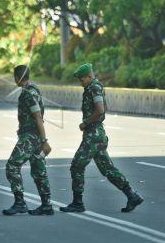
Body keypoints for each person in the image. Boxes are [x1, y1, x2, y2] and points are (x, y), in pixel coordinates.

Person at [60, 63, 144, 214]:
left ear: (90, 76)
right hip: (96, 135)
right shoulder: (92, 88)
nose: (81, 82)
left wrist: (86, 122)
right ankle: (132, 195)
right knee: (108, 169)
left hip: (93, 135)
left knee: (77, 165)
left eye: (82, 79)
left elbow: (100, 110)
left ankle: (77, 203)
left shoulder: (94, 88)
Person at [3, 65, 53, 216]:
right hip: (35, 136)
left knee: (12, 165)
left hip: (30, 137)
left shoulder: (28, 94)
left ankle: (20, 203)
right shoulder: (33, 89)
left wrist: (45, 141)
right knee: (39, 171)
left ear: (17, 78)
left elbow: (38, 117)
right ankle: (46, 205)